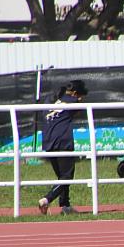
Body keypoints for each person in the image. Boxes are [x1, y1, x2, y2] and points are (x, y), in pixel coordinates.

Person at [38, 80, 88, 215]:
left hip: (48, 141)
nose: (81, 99)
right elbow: (79, 109)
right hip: (62, 141)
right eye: (81, 95)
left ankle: (65, 206)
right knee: (67, 177)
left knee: (61, 177)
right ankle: (46, 199)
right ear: (76, 93)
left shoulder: (51, 99)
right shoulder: (73, 102)